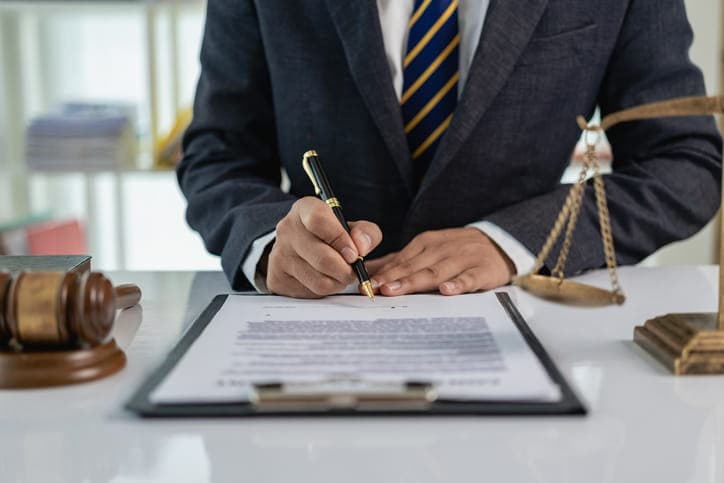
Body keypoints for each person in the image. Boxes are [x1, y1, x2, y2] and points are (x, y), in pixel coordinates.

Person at [178, 0, 722, 298]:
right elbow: (216, 154)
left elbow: (686, 165)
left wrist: (510, 242)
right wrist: (271, 243)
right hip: (321, 323)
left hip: (521, 322)